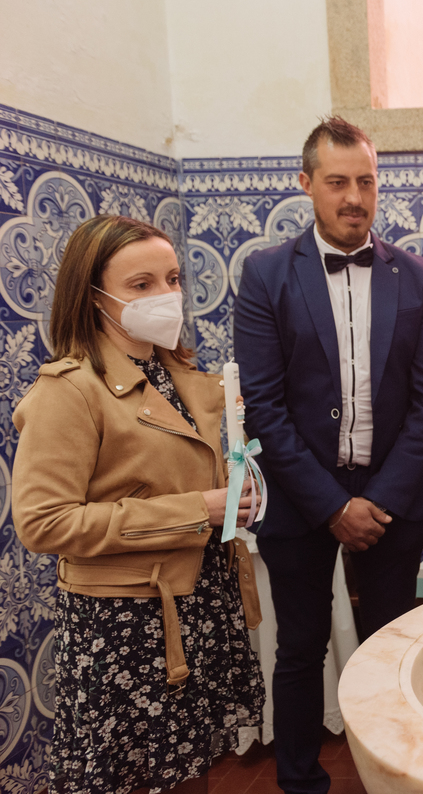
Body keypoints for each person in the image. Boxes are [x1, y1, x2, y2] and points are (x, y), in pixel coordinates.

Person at [233, 116, 423, 794]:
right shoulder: (266, 274)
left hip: (394, 498)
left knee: (391, 650)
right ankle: (300, 783)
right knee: (299, 650)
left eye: (366, 181)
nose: (354, 196)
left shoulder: (415, 275)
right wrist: (332, 506)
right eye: (338, 182)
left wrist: (377, 499)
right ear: (307, 184)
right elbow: (263, 407)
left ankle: (396, 778)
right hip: (300, 501)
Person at [12, 215, 264, 794]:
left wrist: (238, 486)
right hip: (127, 625)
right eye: (142, 284)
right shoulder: (70, 389)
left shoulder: (179, 374)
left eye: (172, 279)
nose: (166, 295)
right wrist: (199, 508)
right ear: (93, 296)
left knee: (187, 771)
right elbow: (44, 522)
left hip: (195, 604)